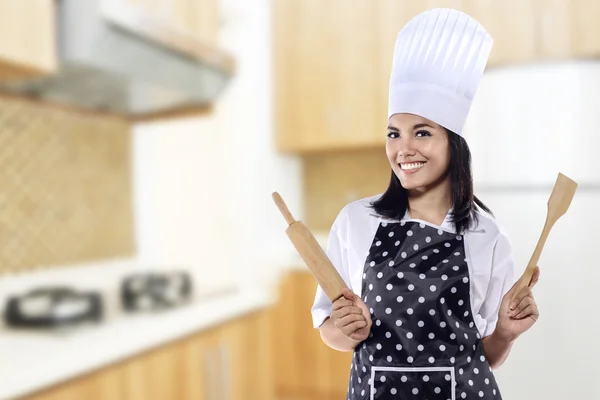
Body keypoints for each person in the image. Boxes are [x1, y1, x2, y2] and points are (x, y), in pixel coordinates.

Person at [310, 8, 540, 400]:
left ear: (454, 143)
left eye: (422, 132)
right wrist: (344, 329)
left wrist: (505, 331)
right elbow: (329, 329)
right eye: (393, 133)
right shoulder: (355, 222)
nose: (404, 149)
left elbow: (484, 357)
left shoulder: (487, 235)